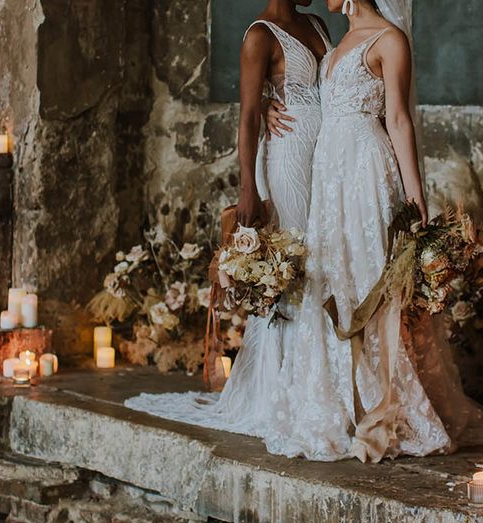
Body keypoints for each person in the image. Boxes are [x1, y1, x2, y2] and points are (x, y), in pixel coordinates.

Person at [262, 0, 483, 461]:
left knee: (373, 272)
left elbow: (397, 119)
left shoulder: (389, 40)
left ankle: (386, 403)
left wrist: (416, 198)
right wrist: (266, 109)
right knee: (332, 276)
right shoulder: (334, 48)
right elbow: (302, 96)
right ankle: (341, 403)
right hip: (327, 171)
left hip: (365, 170)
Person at [126, 0, 332, 437]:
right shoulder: (260, 35)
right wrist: (248, 192)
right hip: (288, 162)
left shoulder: (315, 23)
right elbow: (247, 116)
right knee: (296, 268)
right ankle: (279, 390)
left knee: (325, 262)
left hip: (325, 163)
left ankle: (322, 385)